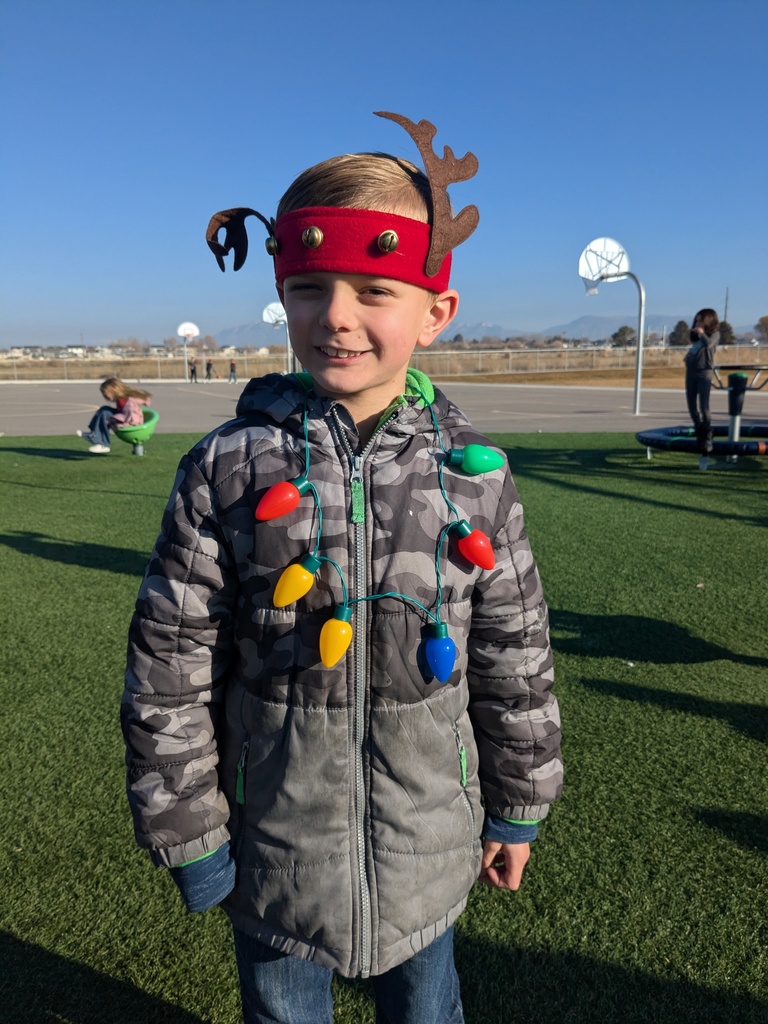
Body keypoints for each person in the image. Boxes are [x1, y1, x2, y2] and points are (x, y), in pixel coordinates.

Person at [121, 111, 562, 1024]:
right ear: (282, 296)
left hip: (428, 849)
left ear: (435, 312)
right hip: (273, 850)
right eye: (310, 287)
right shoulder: (226, 467)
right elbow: (169, 662)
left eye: (374, 289)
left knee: (428, 1010)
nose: (338, 316)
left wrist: (517, 807)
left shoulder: (475, 477)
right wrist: (188, 828)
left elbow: (515, 655)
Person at [684, 308, 720, 469]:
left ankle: (707, 432)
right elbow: (695, 348)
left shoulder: (714, 334)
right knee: (691, 406)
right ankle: (699, 430)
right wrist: (688, 356)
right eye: (696, 320)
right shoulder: (698, 337)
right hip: (691, 372)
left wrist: (701, 333)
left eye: (701, 320)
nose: (698, 323)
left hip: (704, 372)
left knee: (704, 406)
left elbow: (709, 344)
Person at [76, 377, 151, 454]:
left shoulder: (129, 401)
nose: (106, 395)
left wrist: (116, 421)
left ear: (115, 390)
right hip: (124, 419)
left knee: (105, 414)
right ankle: (94, 434)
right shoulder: (121, 400)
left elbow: (133, 418)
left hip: (131, 425)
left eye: (107, 393)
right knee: (104, 409)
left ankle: (103, 444)